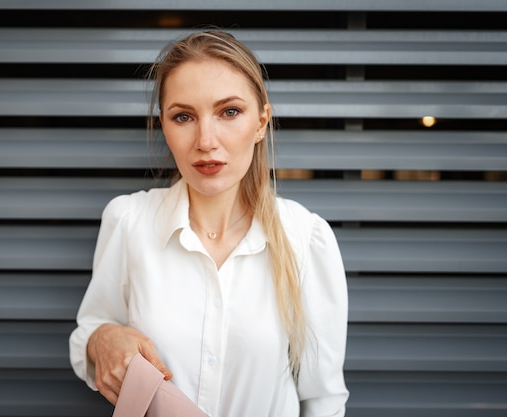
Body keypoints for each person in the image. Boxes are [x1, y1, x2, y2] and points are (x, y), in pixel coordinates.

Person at [69, 30, 349, 417]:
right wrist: (102, 338)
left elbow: (324, 400)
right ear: (164, 126)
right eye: (183, 116)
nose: (205, 140)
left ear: (261, 122)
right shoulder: (129, 221)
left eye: (229, 112)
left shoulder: (307, 237)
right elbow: (90, 330)